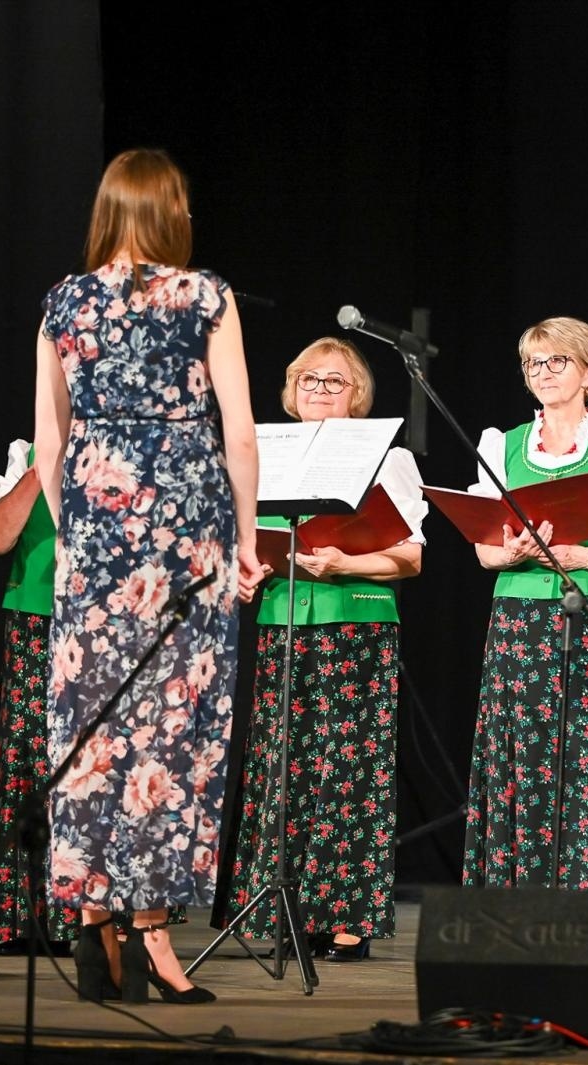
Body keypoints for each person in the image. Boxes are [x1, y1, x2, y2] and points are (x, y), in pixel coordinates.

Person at [35, 148, 264, 1005]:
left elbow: (49, 444)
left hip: (96, 529)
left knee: (93, 726)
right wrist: (245, 538)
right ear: (172, 212)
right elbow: (239, 434)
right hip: (188, 527)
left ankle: (96, 937)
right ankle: (155, 940)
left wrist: (78, 539)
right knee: (178, 727)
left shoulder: (64, 299)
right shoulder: (206, 295)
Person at [229, 338, 427, 962]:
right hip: (283, 622)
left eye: (334, 381)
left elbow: (411, 555)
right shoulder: (265, 454)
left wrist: (348, 562)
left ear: (358, 395)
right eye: (307, 378)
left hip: (355, 626)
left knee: (347, 772)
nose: (318, 389)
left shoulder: (386, 458)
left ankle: (347, 915)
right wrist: (247, 567)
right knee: (284, 765)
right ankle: (287, 905)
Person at [462, 317, 588, 905]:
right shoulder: (500, 444)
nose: (544, 374)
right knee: (519, 755)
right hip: (517, 624)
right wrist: (512, 552)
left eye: (557, 362)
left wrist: (587, 556)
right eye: (534, 364)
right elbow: (481, 549)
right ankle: (515, 901)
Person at [0, 440, 76, 954]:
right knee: (30, 766)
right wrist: (40, 468)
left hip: (112, 623)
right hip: (38, 622)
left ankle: (102, 920)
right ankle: (26, 917)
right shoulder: (27, 454)